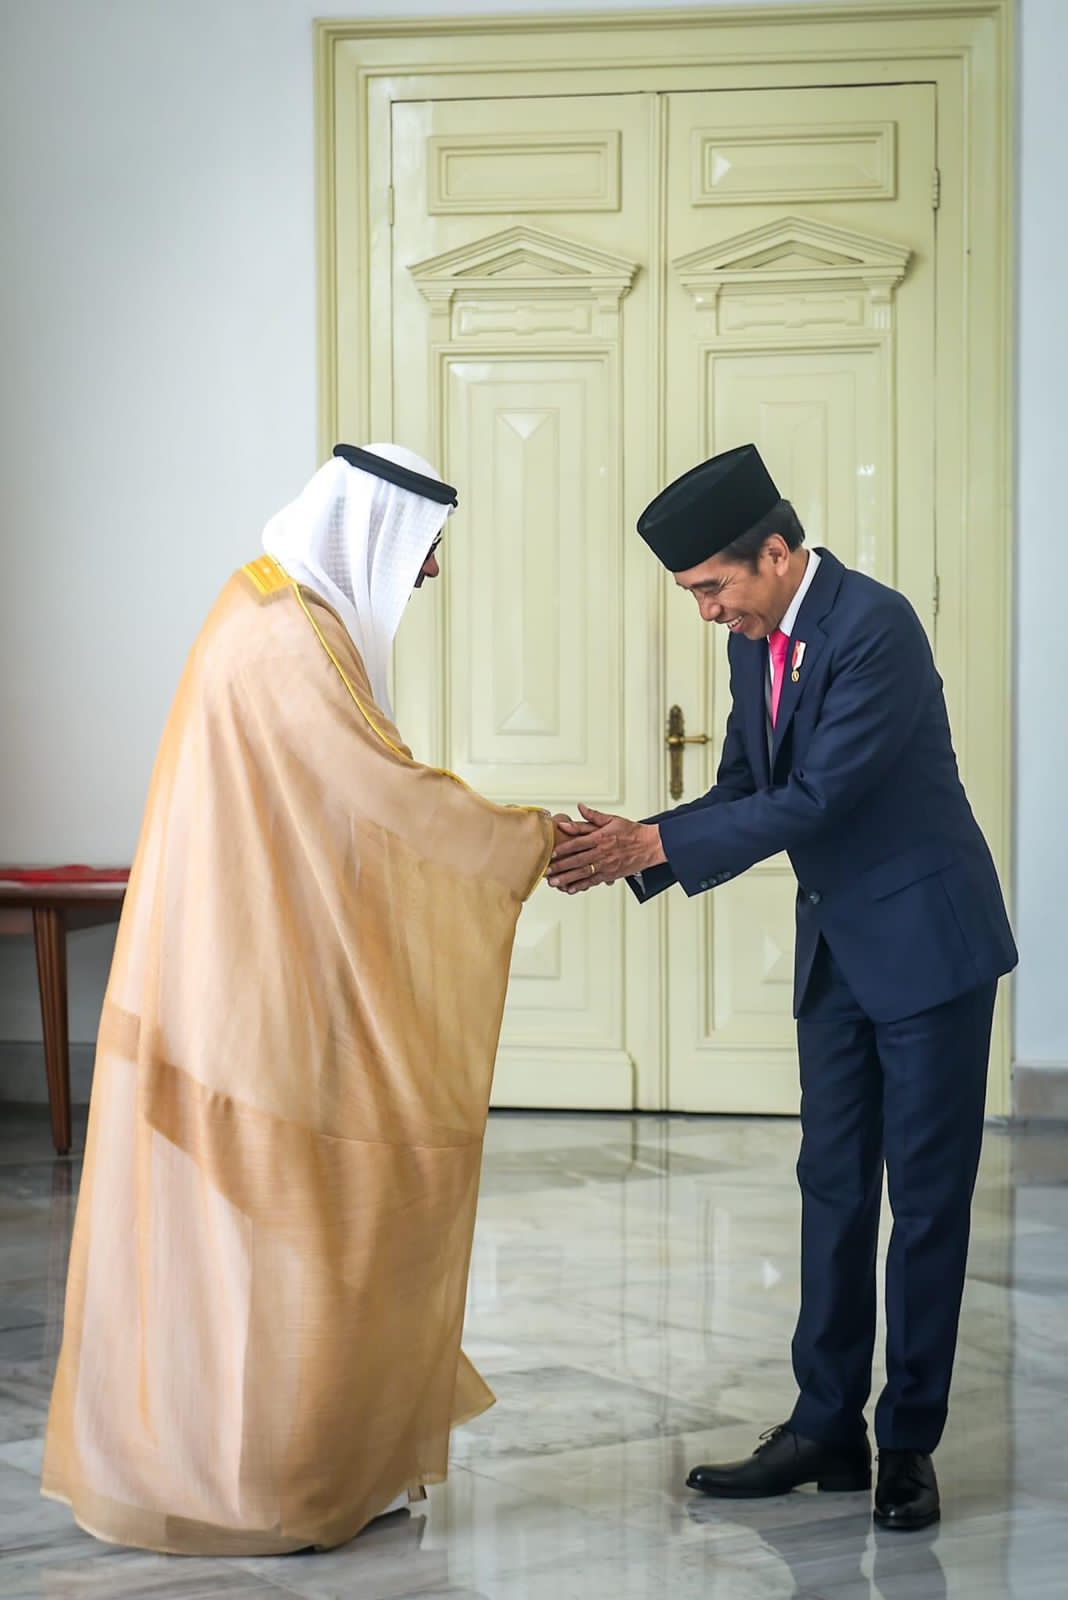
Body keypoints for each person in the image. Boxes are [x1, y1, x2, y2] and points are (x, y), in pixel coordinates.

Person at [42, 444, 561, 1556]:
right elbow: (382, 793)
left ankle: (319, 1451)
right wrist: (530, 838)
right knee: (295, 1224)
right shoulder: (287, 636)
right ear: (372, 530)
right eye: (424, 552)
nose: (428, 577)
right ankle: (273, 1476)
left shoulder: (275, 604)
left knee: (294, 1228)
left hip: (256, 966)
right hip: (251, 986)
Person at [549, 443, 1017, 1531]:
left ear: (776, 551)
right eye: (694, 596)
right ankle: (825, 1428)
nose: (708, 612)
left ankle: (907, 1442)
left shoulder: (876, 626)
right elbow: (745, 783)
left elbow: (818, 799)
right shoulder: (756, 641)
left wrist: (651, 847)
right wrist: (641, 836)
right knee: (834, 1187)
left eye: (714, 587)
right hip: (838, 954)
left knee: (930, 1202)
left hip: (928, 947)